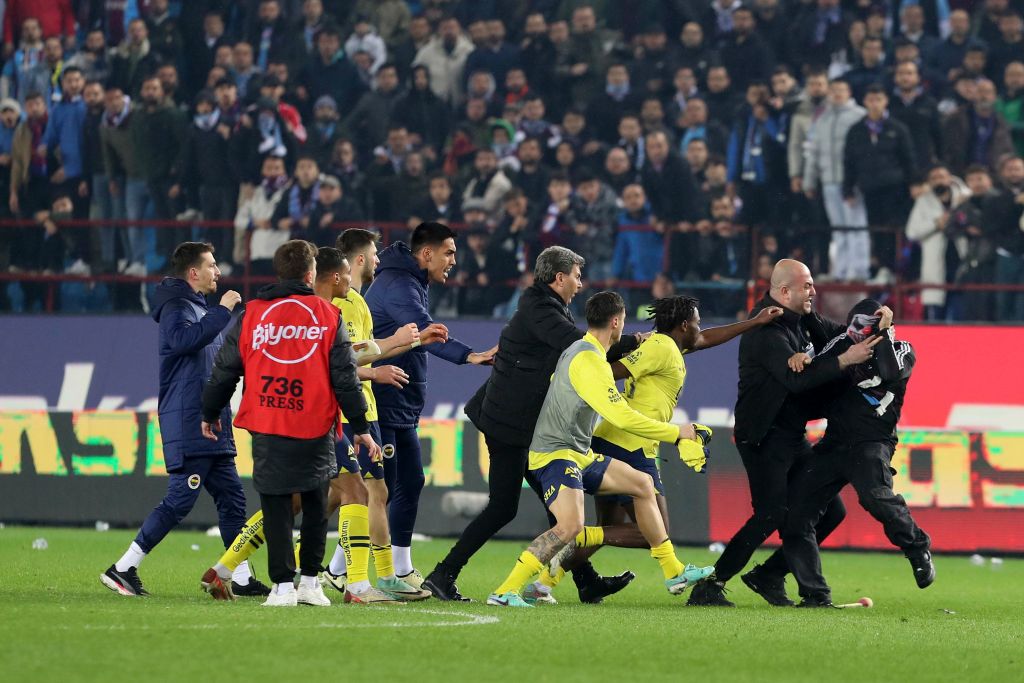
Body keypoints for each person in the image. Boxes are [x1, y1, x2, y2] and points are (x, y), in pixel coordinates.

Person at [522, 296, 785, 604]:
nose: (700, 330)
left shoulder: (670, 345)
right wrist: (588, 371)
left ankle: (542, 584)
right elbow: (613, 370)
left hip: (618, 440)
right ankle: (581, 537)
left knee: (614, 527)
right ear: (684, 325)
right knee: (655, 531)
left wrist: (754, 322)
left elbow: (705, 339)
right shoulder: (659, 347)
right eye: (697, 323)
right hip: (630, 444)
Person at [424, 246, 649, 603]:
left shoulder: (546, 305)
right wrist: (635, 341)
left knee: (555, 507)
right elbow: (578, 346)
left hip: (520, 424)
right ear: (559, 278)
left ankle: (584, 580)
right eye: (576, 276)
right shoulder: (539, 308)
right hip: (507, 424)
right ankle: (442, 575)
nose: (579, 283)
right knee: (506, 507)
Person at [487, 291, 715, 608]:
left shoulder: (585, 353)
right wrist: (677, 433)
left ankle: (673, 571)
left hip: (581, 452)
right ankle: (505, 590)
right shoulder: (589, 360)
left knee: (642, 484)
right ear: (616, 321)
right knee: (570, 527)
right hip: (557, 453)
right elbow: (619, 415)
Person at [687, 259, 879, 607]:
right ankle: (710, 585)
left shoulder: (803, 318)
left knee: (831, 511)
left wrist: (878, 317)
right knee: (771, 513)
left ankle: (769, 575)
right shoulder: (766, 330)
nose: (814, 291)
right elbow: (797, 380)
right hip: (762, 435)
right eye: (807, 285)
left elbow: (841, 336)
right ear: (784, 290)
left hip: (791, 434)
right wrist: (844, 361)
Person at [200, 239, 378, 607]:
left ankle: (281, 586)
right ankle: (311, 583)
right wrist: (360, 425)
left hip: (266, 416)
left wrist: (210, 412)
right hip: (314, 420)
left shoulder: (253, 313)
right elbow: (344, 375)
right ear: (311, 273)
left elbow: (225, 368)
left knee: (279, 501)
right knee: (315, 501)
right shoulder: (328, 315)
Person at [101, 242, 246, 597]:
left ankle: (241, 578)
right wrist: (222, 312)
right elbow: (184, 342)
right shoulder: (177, 308)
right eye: (212, 266)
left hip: (211, 422)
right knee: (181, 499)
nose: (218, 272)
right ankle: (123, 567)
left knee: (233, 500)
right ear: (193, 273)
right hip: (188, 420)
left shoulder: (197, 308)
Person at [363, 222, 497, 589]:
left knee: (404, 482)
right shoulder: (400, 287)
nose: (454, 260)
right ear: (426, 254)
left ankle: (397, 567)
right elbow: (426, 334)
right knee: (380, 488)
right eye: (449, 252)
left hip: (399, 402)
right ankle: (353, 570)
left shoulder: (409, 280)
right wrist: (469, 356)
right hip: (384, 398)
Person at [781, 299, 934, 606]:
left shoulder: (901, 348)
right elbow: (812, 373)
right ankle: (814, 593)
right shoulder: (842, 344)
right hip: (835, 441)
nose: (860, 332)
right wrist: (802, 357)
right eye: (856, 325)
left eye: (867, 325)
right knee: (795, 512)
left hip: (873, 442)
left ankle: (917, 547)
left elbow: (891, 374)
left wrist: (885, 334)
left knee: (876, 497)